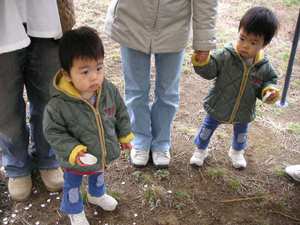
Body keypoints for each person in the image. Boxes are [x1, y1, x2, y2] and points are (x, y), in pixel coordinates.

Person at [104, 0, 218, 169]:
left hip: (175, 26)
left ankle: (161, 141)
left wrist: (203, 42)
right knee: (136, 89)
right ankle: (140, 139)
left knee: (168, 92)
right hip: (132, 22)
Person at [43, 26, 134, 225]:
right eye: (85, 71)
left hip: (101, 152)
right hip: (76, 159)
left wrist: (124, 135)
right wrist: (74, 151)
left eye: (99, 68)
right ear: (67, 74)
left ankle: (96, 195)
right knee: (73, 183)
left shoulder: (107, 90)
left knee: (98, 173)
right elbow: (53, 132)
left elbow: (120, 112)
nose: (94, 77)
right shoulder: (58, 105)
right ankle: (74, 209)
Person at [0, 0, 75, 201]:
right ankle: (17, 165)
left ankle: (47, 158)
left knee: (48, 100)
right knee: (4, 108)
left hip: (46, 15)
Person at [189, 7, 280, 170]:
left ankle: (237, 152)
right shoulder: (226, 55)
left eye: (253, 43)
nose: (245, 46)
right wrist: (202, 61)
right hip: (219, 104)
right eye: (242, 38)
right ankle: (200, 149)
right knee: (207, 129)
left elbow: (269, 82)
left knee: (241, 134)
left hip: (243, 110)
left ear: (264, 44)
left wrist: (269, 92)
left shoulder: (263, 66)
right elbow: (210, 70)